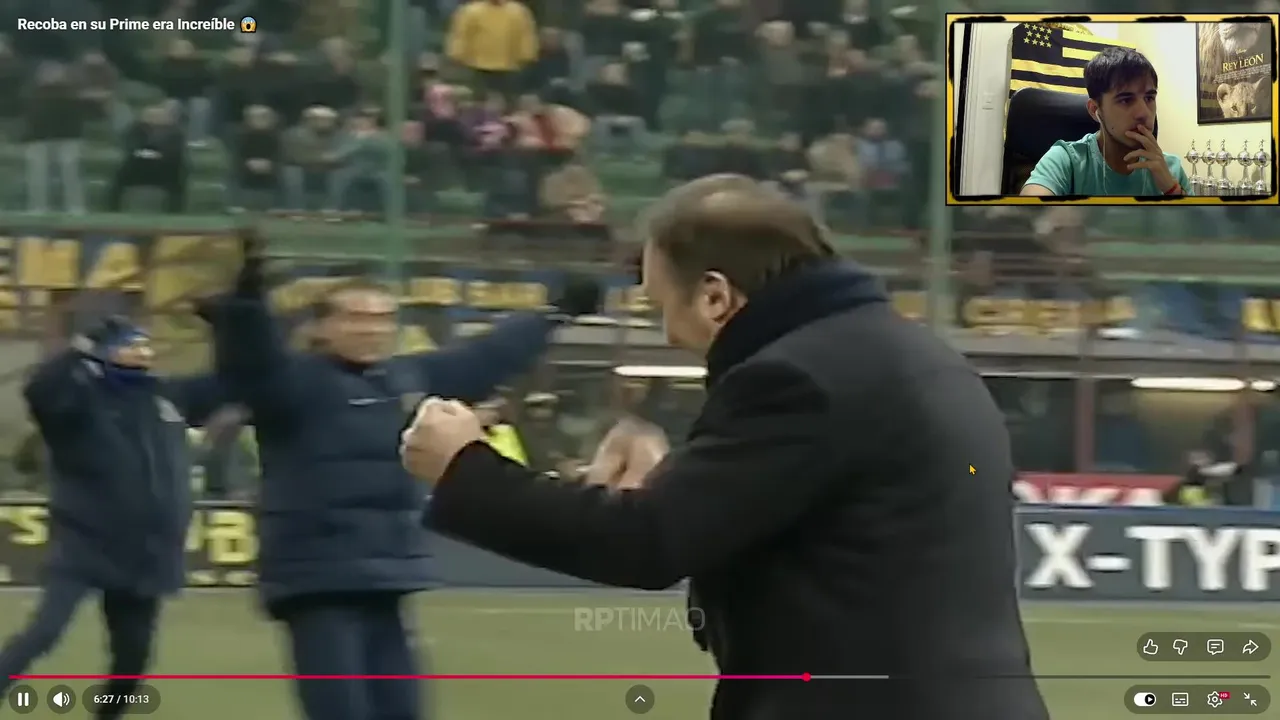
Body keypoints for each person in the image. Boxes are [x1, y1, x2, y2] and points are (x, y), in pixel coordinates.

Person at [400, 175, 1051, 720]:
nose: (666, 332)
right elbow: (819, 507)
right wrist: (681, 476)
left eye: (662, 306)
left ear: (715, 296)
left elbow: (646, 542)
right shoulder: (902, 353)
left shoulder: (796, 377)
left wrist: (464, 468)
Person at [211, 232, 601, 720]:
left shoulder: (404, 379)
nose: (372, 329)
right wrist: (246, 306)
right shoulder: (294, 384)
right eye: (356, 317)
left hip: (385, 577)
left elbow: (486, 357)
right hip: (316, 582)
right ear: (322, 327)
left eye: (382, 318)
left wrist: (554, 315)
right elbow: (252, 364)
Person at [0, 316, 226, 719]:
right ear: (104, 351)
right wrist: (77, 349)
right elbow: (41, 390)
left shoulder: (166, 397)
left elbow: (230, 382)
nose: (143, 351)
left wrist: (235, 325)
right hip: (85, 544)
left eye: (145, 344)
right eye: (130, 344)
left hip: (145, 553)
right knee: (44, 633)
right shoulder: (78, 400)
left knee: (132, 661)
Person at [1021, 46, 1190, 197]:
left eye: (1149, 98)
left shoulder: (1171, 169)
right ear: (1095, 110)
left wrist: (1171, 189)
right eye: (1126, 100)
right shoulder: (1066, 160)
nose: (1143, 113)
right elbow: (1028, 214)